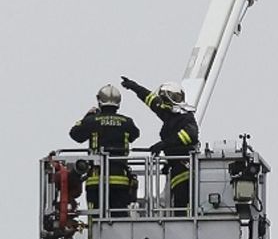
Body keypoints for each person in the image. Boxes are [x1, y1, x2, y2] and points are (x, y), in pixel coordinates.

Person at [120, 76, 199, 211]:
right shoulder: (170, 115)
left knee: (182, 201)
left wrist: (164, 144)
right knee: (178, 201)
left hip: (185, 167)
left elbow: (190, 135)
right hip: (175, 166)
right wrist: (134, 87)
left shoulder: (185, 117)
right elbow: (150, 99)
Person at [69, 85, 140, 216]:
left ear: (99, 100)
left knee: (96, 219)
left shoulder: (91, 121)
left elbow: (75, 135)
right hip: (121, 179)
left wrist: (87, 116)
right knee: (119, 218)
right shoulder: (127, 122)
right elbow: (135, 135)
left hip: (96, 180)